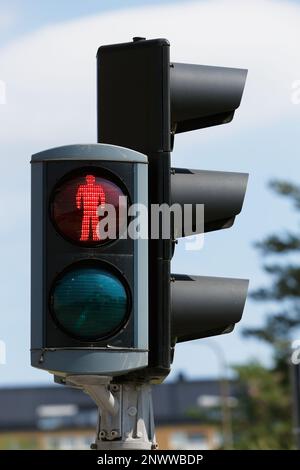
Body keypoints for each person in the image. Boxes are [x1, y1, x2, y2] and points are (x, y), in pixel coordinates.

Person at [76, 174, 105, 241]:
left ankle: (96, 237)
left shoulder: (98, 188)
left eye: (91, 179)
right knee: (86, 224)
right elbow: (78, 196)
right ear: (86, 180)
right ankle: (84, 238)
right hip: (86, 209)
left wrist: (103, 205)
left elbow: (102, 196)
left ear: (94, 180)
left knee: (94, 223)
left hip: (95, 209)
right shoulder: (82, 187)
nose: (90, 181)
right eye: (89, 179)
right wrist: (78, 205)